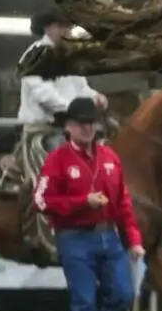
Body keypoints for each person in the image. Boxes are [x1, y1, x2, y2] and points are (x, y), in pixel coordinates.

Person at [33, 96, 145, 311]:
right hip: (74, 238)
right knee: (84, 302)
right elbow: (41, 200)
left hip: (108, 235)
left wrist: (132, 239)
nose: (87, 128)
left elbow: (122, 203)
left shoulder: (110, 159)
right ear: (69, 127)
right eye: (81, 123)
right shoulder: (57, 159)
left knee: (122, 295)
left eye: (90, 123)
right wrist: (82, 202)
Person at [14, 10, 108, 185]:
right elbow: (43, 95)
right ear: (47, 28)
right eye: (61, 26)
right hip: (42, 129)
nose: (67, 31)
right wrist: (75, 109)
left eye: (69, 27)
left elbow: (81, 88)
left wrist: (95, 97)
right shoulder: (34, 55)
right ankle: (41, 205)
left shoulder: (69, 56)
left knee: (104, 148)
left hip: (71, 125)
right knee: (56, 168)